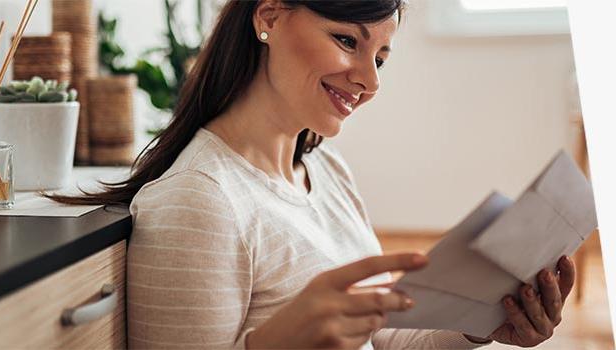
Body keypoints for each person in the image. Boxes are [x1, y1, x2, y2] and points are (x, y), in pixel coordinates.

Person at [46, 0, 576, 348]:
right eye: (347, 40)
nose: (369, 81)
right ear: (270, 17)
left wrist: (479, 324)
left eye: (381, 58)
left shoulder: (324, 170)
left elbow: (382, 340)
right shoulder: (199, 202)